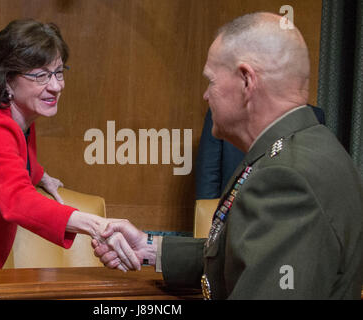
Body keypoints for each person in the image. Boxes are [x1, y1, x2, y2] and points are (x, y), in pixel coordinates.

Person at [93, 12, 363, 299]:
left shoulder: (286, 179)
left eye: (211, 81)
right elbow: (250, 258)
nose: (206, 96)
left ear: (246, 81)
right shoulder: (304, 148)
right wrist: (151, 249)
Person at [0, 19, 139, 272]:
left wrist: (40, 176)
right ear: (7, 79)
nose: (55, 86)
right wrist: (98, 226)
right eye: (41, 76)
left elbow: (11, 160)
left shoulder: (22, 114)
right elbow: (17, 199)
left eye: (59, 72)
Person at [195, 105, 325, 199]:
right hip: (235, 218)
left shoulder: (312, 116)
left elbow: (316, 179)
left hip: (292, 218)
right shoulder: (224, 112)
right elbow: (208, 176)